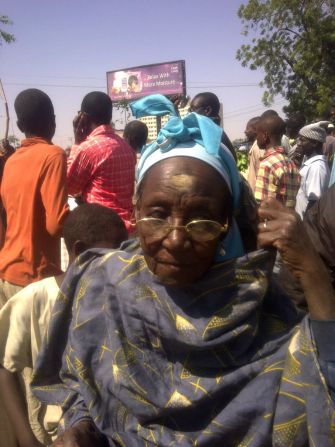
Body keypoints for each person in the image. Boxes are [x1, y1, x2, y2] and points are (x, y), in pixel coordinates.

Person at [32, 96, 335, 447]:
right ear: (136, 208)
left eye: (201, 219)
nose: (175, 240)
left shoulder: (264, 320)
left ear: (227, 225)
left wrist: (313, 272)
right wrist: (82, 425)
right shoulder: (103, 284)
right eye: (157, 214)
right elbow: (79, 381)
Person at [0, 203, 128, 447]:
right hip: (52, 434)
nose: (124, 260)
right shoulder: (36, 299)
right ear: (79, 251)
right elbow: (4, 365)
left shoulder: (119, 298)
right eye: (115, 251)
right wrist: (26, 437)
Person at [67, 91, 136, 232]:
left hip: (100, 230)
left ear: (83, 117)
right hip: (127, 229)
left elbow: (69, 186)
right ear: (110, 116)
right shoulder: (126, 147)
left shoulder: (88, 149)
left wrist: (76, 143)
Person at [254, 114, 300, 207]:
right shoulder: (291, 163)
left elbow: (262, 204)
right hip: (289, 218)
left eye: (257, 134)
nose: (256, 138)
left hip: (272, 220)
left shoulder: (267, 164)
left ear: (265, 135)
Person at [295, 121, 330, 219]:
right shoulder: (310, 164)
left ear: (314, 143)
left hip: (306, 225)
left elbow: (314, 203)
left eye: (302, 140)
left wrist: (305, 228)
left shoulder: (317, 167)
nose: (299, 144)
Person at [189, 92, 236, 159]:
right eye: (190, 110)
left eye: (193, 109)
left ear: (207, 110)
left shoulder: (218, 135)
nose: (190, 113)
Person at [245, 116, 262, 191]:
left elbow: (259, 175)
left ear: (255, 130)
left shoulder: (257, 148)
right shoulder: (255, 146)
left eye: (247, 129)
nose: (245, 131)